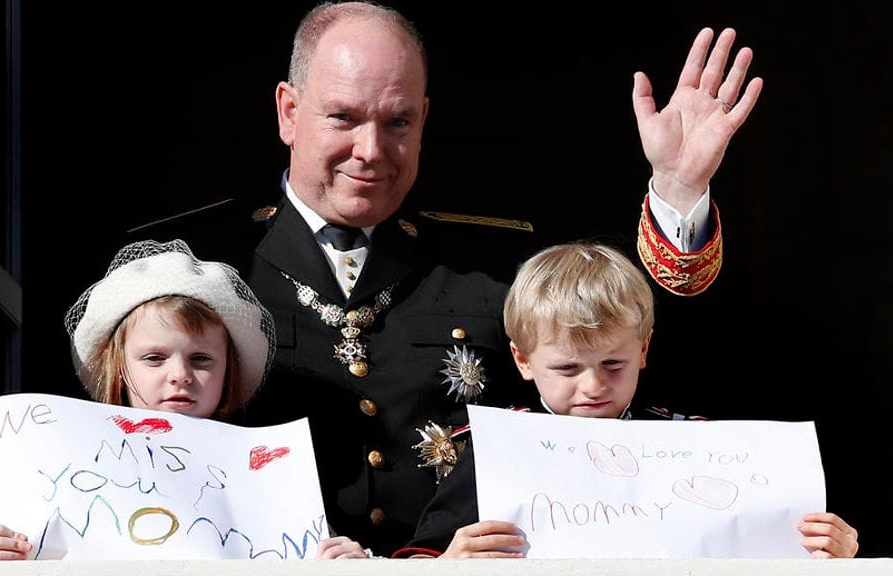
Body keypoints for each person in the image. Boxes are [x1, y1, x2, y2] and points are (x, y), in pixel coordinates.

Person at [125, 1, 761, 556]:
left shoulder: (497, 262)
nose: (371, 149)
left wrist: (679, 191)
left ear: (424, 120)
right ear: (289, 112)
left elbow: (644, 360)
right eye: (343, 118)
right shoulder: (187, 264)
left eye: (397, 122)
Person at [391, 242, 860, 559]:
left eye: (613, 364)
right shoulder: (494, 450)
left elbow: (772, 543)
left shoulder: (695, 442)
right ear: (523, 360)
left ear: (643, 349)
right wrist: (447, 562)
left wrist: (829, 551)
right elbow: (425, 551)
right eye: (568, 368)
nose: (593, 386)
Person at [0, 239, 368, 561]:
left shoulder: (273, 477)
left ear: (229, 371)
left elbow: (302, 548)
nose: (180, 374)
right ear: (118, 368)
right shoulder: (52, 460)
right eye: (154, 358)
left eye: (201, 359)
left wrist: (344, 562)